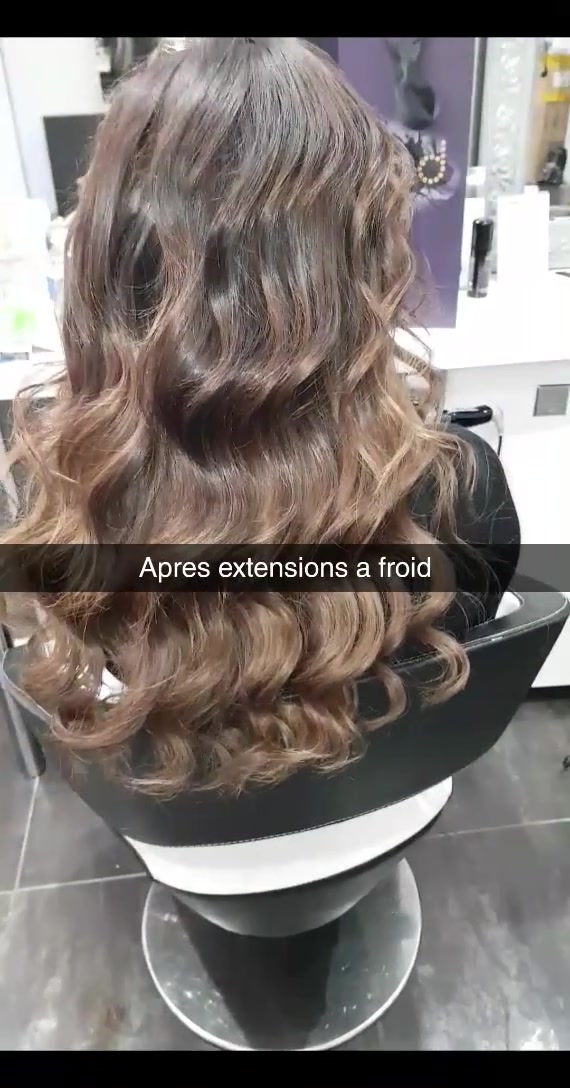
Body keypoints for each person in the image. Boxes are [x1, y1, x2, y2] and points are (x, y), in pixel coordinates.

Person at [1, 37, 519, 797]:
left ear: (109, 253)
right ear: (362, 252)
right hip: (372, 796)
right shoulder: (460, 490)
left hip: (187, 814)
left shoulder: (62, 491)